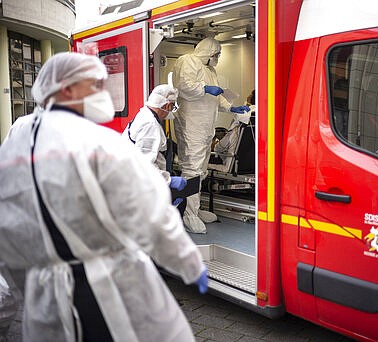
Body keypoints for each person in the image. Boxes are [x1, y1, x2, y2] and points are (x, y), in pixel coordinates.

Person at [0, 52, 208, 342]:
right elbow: (147, 206)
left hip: (44, 298)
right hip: (98, 285)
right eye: (94, 86)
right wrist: (188, 262)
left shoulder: (20, 132)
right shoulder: (94, 140)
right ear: (68, 89)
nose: (100, 93)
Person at [172, 37, 249, 234]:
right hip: (191, 125)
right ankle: (188, 214)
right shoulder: (187, 60)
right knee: (192, 169)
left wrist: (232, 107)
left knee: (201, 169)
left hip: (205, 127)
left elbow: (217, 97)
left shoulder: (210, 70)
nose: (217, 58)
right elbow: (183, 86)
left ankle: (195, 210)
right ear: (207, 52)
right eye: (216, 54)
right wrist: (204, 88)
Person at [122, 84, 187, 215]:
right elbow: (144, 164)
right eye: (172, 107)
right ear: (167, 105)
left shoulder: (144, 115)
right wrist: (168, 181)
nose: (171, 111)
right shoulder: (150, 125)